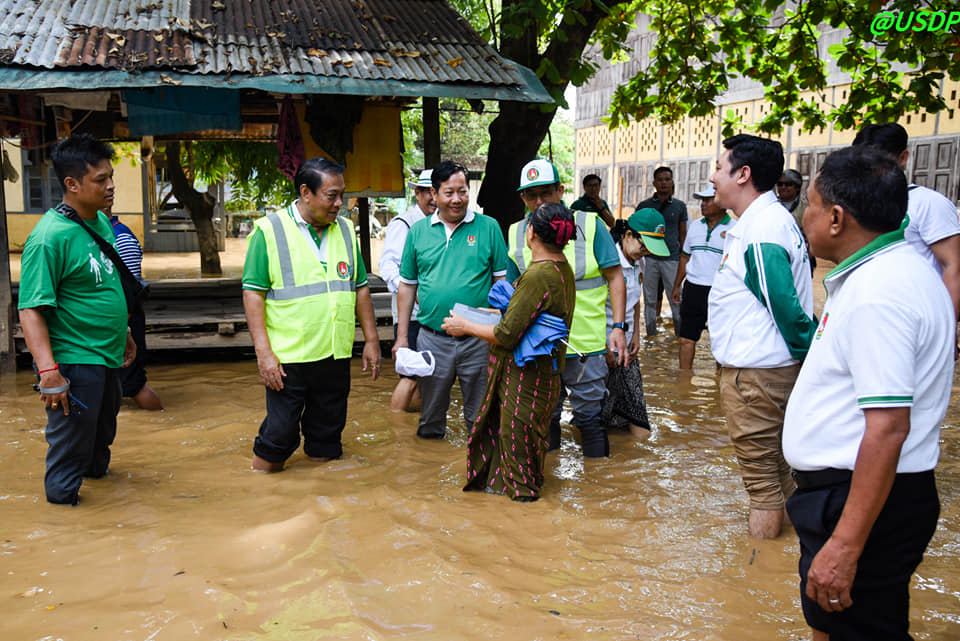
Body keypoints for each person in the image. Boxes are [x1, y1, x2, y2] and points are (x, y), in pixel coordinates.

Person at [783, 145, 954, 641]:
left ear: (836, 218)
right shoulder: (889, 273)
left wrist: (846, 544)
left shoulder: (881, 292)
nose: (804, 217)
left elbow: (888, 427)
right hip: (855, 496)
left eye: (809, 205)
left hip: (861, 500)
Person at [708, 134, 818, 539]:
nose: (714, 176)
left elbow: (787, 311)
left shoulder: (762, 230)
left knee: (762, 486)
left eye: (720, 168)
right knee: (779, 476)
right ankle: (790, 558)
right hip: (767, 372)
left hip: (756, 376)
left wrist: (813, 357)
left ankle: (757, 575)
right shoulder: (765, 222)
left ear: (743, 174)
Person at [18, 133, 137, 505]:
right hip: (74, 360)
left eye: (111, 176)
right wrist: (48, 372)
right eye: (101, 179)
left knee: (100, 446)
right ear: (72, 184)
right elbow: (31, 308)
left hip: (106, 355)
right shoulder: (48, 238)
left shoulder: (99, 223)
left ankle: (103, 531)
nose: (111, 186)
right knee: (69, 458)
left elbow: (102, 282)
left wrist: (125, 331)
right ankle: (65, 525)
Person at [242, 157, 381, 473]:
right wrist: (264, 355)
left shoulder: (345, 229)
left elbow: (359, 287)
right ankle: (263, 494)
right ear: (306, 192)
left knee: (327, 439)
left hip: (334, 353)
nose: (340, 204)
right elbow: (253, 294)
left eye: (341, 195)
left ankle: (323, 507)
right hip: (288, 357)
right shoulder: (269, 231)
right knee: (278, 437)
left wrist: (371, 340)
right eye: (332, 195)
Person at [442, 202, 577, 501]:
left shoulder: (538, 275)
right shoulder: (561, 269)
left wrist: (465, 326)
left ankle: (524, 517)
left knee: (516, 443)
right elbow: (523, 315)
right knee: (528, 444)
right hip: (544, 374)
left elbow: (506, 334)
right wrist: (482, 313)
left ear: (530, 233)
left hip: (526, 377)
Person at [508, 159, 627, 458]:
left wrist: (619, 328)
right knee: (545, 418)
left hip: (585, 345)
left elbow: (615, 277)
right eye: (530, 195)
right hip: (539, 347)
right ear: (521, 197)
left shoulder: (589, 224)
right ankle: (552, 491)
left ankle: (597, 492)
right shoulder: (514, 232)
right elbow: (513, 293)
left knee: (590, 420)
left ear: (561, 191)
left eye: (546, 193)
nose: (538, 202)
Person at [394, 161, 509, 440]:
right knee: (430, 416)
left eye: (463, 191)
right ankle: (430, 477)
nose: (457, 199)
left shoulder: (489, 227)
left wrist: (497, 327)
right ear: (433, 193)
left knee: (480, 416)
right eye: (449, 192)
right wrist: (401, 338)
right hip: (433, 338)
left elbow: (502, 285)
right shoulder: (418, 232)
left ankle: (481, 471)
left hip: (478, 339)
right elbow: (407, 287)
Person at [852, 122, 960, 321]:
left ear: (903, 158)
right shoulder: (858, 205)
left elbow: (953, 267)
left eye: (879, 160)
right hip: (872, 315)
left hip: (917, 317)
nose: (870, 168)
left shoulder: (930, 204)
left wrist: (947, 329)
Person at [603, 208, 670, 438]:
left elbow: (635, 301)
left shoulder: (639, 262)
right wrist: (604, 349)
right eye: (644, 246)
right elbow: (591, 310)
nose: (646, 252)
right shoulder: (607, 261)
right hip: (603, 348)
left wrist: (636, 335)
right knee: (596, 418)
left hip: (627, 349)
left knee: (639, 422)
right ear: (628, 235)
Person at [379, 169, 435, 411]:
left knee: (426, 375)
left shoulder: (439, 224)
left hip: (432, 314)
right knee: (410, 375)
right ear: (417, 193)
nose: (433, 198)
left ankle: (410, 429)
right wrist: (409, 291)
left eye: (437, 192)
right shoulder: (403, 224)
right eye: (428, 193)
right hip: (410, 317)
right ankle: (397, 424)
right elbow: (387, 265)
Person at [670, 184, 736, 370]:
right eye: (702, 200)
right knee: (686, 339)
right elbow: (685, 257)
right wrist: (677, 285)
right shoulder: (695, 227)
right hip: (693, 288)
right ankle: (684, 382)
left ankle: (720, 384)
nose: (703, 204)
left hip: (720, 291)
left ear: (722, 203)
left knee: (721, 340)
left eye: (708, 200)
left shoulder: (734, 230)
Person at [110, 209, 163, 410]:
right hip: (114, 322)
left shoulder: (120, 237)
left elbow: (130, 291)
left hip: (125, 321)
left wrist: (124, 328)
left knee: (132, 384)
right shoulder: (97, 234)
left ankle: (160, 422)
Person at [635, 166, 687, 335]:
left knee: (675, 299)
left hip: (672, 258)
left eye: (667, 179)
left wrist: (683, 258)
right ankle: (650, 335)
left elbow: (682, 233)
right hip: (649, 259)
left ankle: (679, 336)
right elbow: (637, 232)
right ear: (654, 183)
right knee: (649, 299)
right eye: (660, 180)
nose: (664, 183)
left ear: (672, 182)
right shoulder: (645, 206)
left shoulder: (679, 206)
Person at [777, 168, 815, 273]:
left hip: (799, 260)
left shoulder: (806, 209)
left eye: (788, 184)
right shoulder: (771, 207)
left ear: (797, 187)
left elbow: (812, 236)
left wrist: (807, 257)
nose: (783, 187)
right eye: (780, 184)